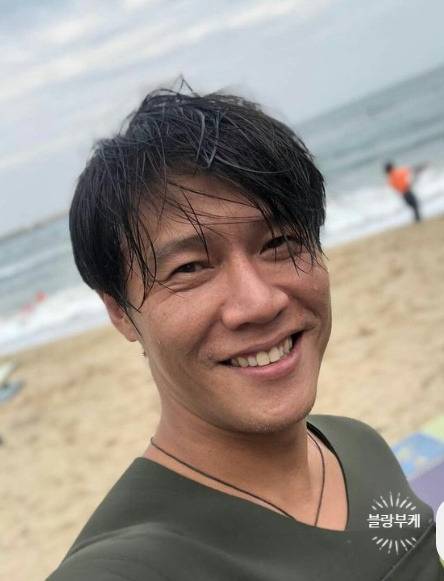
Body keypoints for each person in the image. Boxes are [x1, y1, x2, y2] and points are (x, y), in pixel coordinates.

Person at [49, 87, 443, 580]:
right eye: (190, 267)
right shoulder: (127, 568)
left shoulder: (359, 447)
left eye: (278, 242)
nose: (259, 303)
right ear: (120, 311)